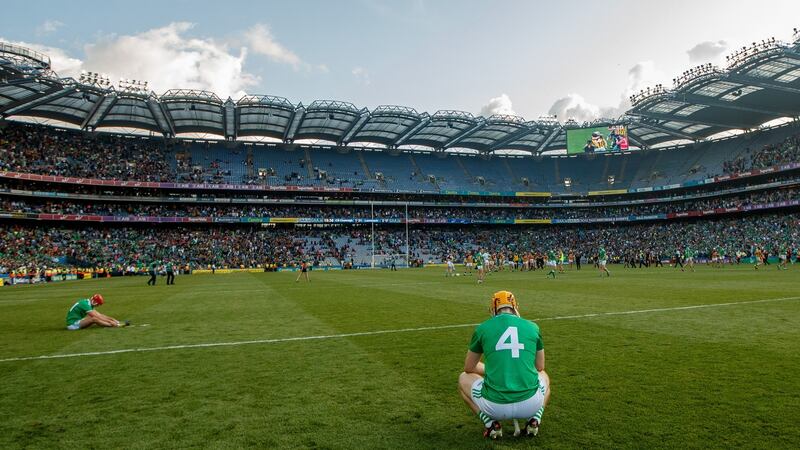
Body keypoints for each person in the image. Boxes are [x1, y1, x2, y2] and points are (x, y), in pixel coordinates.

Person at [458, 291, 551, 439]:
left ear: (494, 309)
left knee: (463, 378)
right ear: (515, 307)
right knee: (544, 376)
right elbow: (540, 366)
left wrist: (495, 370)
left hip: (494, 407)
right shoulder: (533, 327)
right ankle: (535, 419)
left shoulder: (482, 328)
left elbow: (469, 368)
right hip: (530, 404)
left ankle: (491, 424)